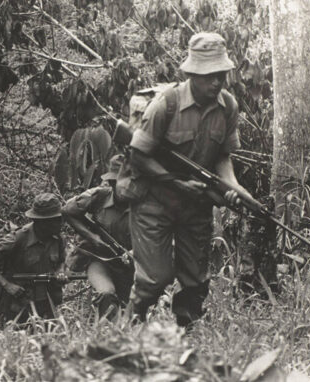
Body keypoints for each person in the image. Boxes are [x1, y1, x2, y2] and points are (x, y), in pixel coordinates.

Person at [125, 32, 252, 327]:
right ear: (193, 73)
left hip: (195, 203)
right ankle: (129, 330)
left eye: (221, 74)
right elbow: (138, 156)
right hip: (153, 202)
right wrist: (176, 183)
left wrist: (232, 187)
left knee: (195, 282)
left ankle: (189, 336)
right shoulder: (166, 104)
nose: (217, 82)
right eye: (209, 75)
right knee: (154, 279)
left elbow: (222, 156)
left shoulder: (228, 106)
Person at [62, 154, 134, 320]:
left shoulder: (143, 204)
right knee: (106, 293)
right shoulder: (99, 196)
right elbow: (67, 211)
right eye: (120, 183)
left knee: (131, 307)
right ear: (112, 183)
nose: (126, 188)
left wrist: (135, 252)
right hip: (100, 260)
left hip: (130, 265)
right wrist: (92, 237)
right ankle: (105, 333)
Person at [0, 193, 68, 325]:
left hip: (46, 301)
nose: (61, 223)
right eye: (56, 219)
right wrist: (7, 285)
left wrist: (60, 272)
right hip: (17, 303)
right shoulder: (17, 238)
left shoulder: (58, 239)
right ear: (42, 221)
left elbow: (61, 260)